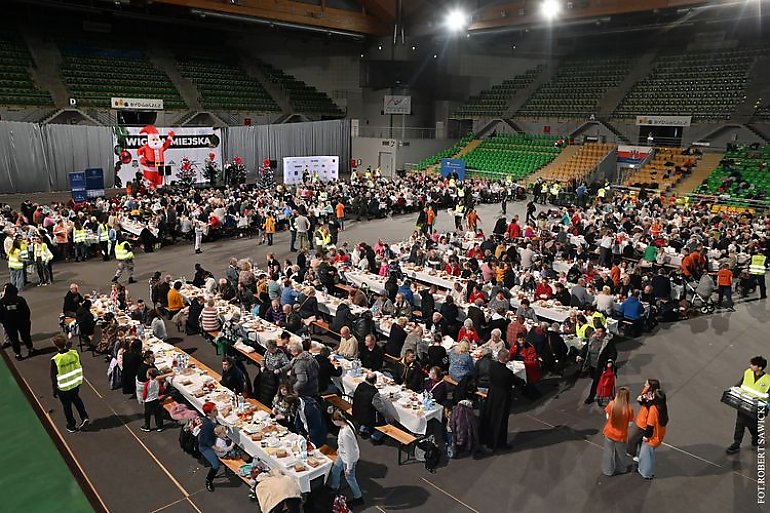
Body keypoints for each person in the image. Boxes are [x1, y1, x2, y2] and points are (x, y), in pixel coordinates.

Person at [727, 356, 770, 454]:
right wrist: (732, 390)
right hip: (743, 404)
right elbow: (741, 383)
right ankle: (736, 444)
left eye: (753, 364)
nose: (750, 366)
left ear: (760, 367)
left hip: (756, 408)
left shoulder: (768, 380)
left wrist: (766, 409)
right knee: (739, 424)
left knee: (752, 425)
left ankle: (756, 437)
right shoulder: (748, 372)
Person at [50, 335, 89, 433]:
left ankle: (71, 425)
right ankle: (84, 416)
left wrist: (54, 390)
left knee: (67, 406)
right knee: (77, 399)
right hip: (75, 383)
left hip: (63, 387)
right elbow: (79, 364)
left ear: (56, 345)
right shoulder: (74, 353)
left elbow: (54, 377)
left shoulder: (55, 359)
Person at [326, 409, 364, 506]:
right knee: (335, 469)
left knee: (350, 478)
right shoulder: (348, 424)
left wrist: (349, 467)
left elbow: (349, 452)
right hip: (343, 455)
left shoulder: (345, 434)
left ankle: (358, 497)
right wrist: (340, 448)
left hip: (348, 459)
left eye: (333, 421)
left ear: (337, 420)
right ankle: (334, 488)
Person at [480, 349, 515, 452]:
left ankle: (487, 439)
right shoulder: (507, 372)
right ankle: (500, 443)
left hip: (492, 395)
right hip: (502, 397)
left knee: (490, 416)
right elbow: (510, 384)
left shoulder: (492, 366)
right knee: (501, 419)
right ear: (506, 358)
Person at [602, 387, 634, 476]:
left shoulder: (611, 404)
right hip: (621, 436)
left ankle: (607, 471)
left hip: (609, 433)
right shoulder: (629, 409)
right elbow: (630, 424)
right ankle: (622, 469)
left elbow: (608, 417)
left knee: (608, 453)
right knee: (621, 454)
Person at [637, 390, 668, 480]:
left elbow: (650, 426)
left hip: (652, 438)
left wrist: (646, 437)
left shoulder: (653, 410)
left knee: (645, 456)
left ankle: (646, 473)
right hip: (659, 435)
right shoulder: (663, 408)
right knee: (650, 454)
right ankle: (649, 471)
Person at [582, 327, 617, 404]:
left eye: (600, 332)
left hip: (601, 365)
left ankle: (591, 396)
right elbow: (586, 348)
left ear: (604, 333)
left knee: (596, 381)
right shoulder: (592, 338)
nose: (597, 333)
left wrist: (610, 360)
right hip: (591, 364)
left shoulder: (608, 341)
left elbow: (613, 352)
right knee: (594, 378)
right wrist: (580, 355)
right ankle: (598, 391)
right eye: (596, 331)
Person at [627, 379, 661, 459]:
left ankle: (631, 453)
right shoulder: (648, 392)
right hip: (641, 419)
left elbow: (650, 405)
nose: (644, 386)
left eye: (646, 385)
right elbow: (641, 398)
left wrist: (644, 400)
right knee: (638, 440)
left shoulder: (655, 398)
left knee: (632, 439)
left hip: (644, 423)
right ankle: (639, 454)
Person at [0, 283, 35, 360]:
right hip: (21, 322)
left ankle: (18, 354)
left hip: (9, 324)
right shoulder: (20, 299)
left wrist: (4, 322)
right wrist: (26, 320)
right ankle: (30, 349)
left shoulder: (1, 302)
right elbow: (26, 311)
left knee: (13, 339)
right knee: (25, 336)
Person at [352, 372, 389, 443]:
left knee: (365, 409)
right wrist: (388, 414)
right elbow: (380, 408)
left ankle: (364, 428)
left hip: (356, 412)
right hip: (367, 418)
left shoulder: (360, 385)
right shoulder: (374, 392)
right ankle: (376, 436)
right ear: (375, 381)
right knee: (386, 419)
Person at [140, 367, 173, 432]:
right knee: (158, 413)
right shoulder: (157, 382)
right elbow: (161, 389)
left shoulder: (147, 383)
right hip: (156, 400)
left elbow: (145, 393)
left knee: (147, 414)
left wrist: (143, 399)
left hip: (148, 401)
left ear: (149, 375)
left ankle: (147, 426)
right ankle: (159, 426)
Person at [198, 402, 221, 492]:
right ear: (208, 413)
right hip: (205, 447)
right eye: (214, 410)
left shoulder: (213, 419)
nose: (217, 411)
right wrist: (218, 449)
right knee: (216, 465)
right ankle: (209, 480)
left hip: (215, 441)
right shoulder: (207, 424)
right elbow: (208, 442)